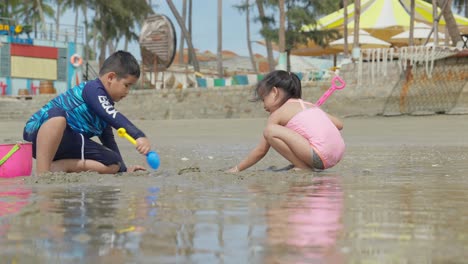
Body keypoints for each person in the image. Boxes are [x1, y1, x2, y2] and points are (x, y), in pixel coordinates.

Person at [23, 50, 151, 175]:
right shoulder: (92, 89)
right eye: (126, 85)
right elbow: (110, 114)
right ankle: (42, 172)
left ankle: (61, 166)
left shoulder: (105, 109)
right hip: (38, 133)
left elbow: (108, 140)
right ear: (111, 77)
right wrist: (137, 135)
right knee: (58, 117)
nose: (128, 91)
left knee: (113, 163)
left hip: (69, 143)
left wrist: (123, 169)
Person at [226, 70, 345, 173]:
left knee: (270, 131)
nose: (263, 106)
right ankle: (304, 164)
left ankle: (302, 166)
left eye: (263, 99)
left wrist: (237, 168)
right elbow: (339, 124)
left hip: (319, 156)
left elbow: (261, 151)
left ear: (274, 92)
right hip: (337, 155)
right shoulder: (311, 106)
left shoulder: (277, 114)